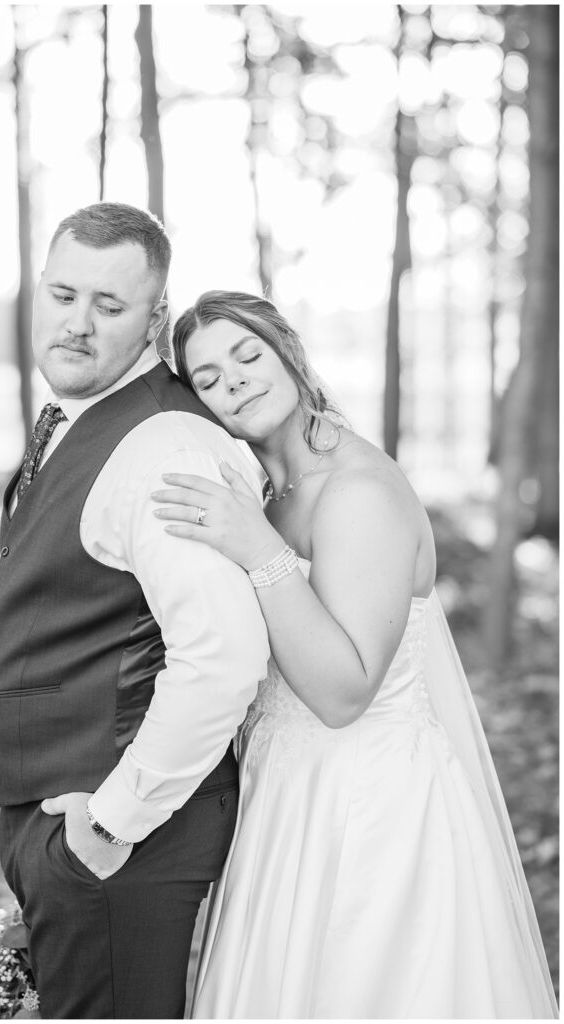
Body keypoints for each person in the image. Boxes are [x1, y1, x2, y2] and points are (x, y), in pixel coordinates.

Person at [150, 290, 558, 1019]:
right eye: (208, 378)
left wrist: (259, 550)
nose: (234, 380)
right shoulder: (271, 494)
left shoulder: (358, 492)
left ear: (290, 356)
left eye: (248, 356)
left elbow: (345, 693)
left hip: (370, 810)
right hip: (282, 800)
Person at [0, 209, 270, 1019]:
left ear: (154, 319)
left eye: (109, 305)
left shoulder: (168, 445)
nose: (78, 323)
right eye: (63, 294)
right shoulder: (88, 418)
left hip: (120, 829)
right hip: (74, 820)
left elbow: (222, 656)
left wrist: (109, 825)